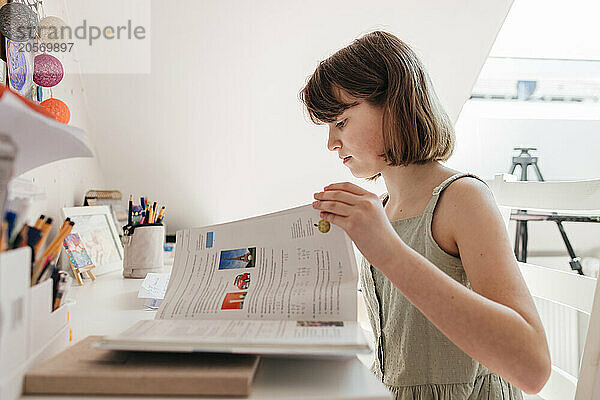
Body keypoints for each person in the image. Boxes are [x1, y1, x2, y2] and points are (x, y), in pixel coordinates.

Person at [300, 31, 550, 400]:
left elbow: (532, 369)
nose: (331, 143)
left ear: (395, 105)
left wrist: (388, 250)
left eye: (341, 121)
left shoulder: (462, 199)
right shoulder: (383, 208)